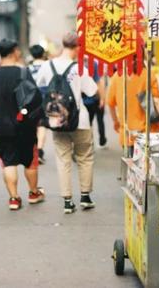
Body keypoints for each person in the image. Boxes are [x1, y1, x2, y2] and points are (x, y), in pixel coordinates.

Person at [35, 32, 98, 214]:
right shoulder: (79, 68)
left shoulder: (47, 66)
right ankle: (85, 197)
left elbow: (39, 84)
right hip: (81, 120)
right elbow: (91, 91)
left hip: (57, 119)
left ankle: (68, 201)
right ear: (78, 47)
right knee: (85, 157)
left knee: (63, 160)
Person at [0, 39, 45, 211]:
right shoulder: (23, 73)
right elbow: (34, 98)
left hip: (3, 126)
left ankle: (14, 198)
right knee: (30, 162)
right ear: (14, 52)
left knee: (9, 162)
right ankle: (33, 194)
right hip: (25, 125)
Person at [107, 57, 159, 156]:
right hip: (147, 134)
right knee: (148, 167)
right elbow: (157, 101)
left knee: (131, 167)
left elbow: (110, 104)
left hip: (127, 134)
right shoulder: (148, 74)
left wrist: (115, 122)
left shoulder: (117, 77)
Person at [29, 44, 48, 164]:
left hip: (31, 101)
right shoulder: (48, 66)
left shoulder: (27, 69)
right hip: (45, 100)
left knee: (33, 126)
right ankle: (39, 150)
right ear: (43, 54)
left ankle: (34, 150)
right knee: (42, 126)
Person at [82, 59, 107, 148]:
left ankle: (90, 142)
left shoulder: (77, 63)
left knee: (88, 122)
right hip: (96, 97)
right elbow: (100, 82)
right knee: (100, 120)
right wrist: (102, 98)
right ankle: (102, 140)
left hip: (85, 100)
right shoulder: (94, 63)